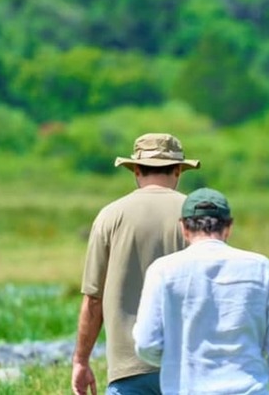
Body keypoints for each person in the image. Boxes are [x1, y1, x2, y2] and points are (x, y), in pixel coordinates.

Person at [132, 188, 269, 394]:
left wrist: (176, 358)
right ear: (228, 227)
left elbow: (146, 344)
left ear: (183, 227)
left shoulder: (163, 270)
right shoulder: (260, 268)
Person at [71, 133, 200, 395]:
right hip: (188, 365)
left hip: (127, 368)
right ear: (178, 171)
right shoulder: (196, 213)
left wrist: (81, 361)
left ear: (136, 170)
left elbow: (93, 299)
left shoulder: (110, 216)